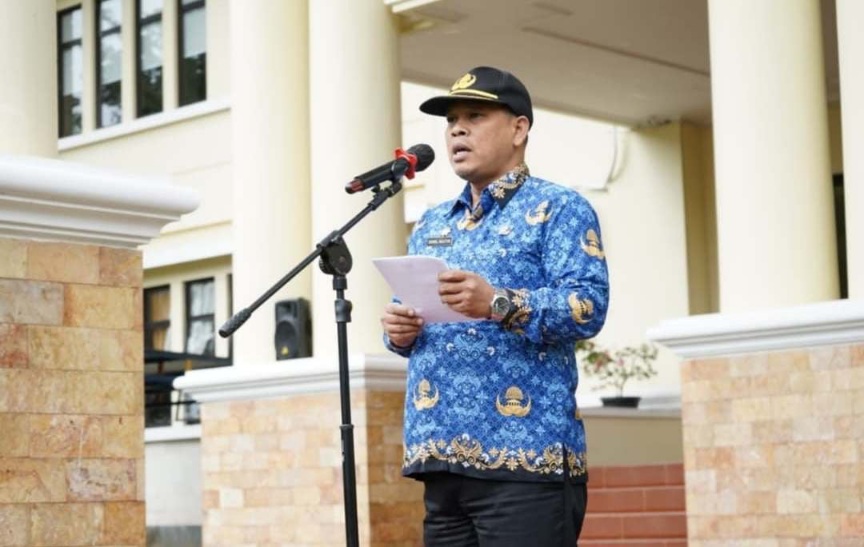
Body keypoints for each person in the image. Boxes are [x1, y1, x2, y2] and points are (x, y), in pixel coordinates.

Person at [380, 66, 609, 546]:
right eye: (451, 121)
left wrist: (497, 302)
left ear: (519, 128)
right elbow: (409, 318)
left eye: (475, 116)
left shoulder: (559, 208)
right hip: (440, 459)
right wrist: (399, 330)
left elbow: (587, 305)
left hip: (526, 463)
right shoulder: (433, 222)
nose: (457, 130)